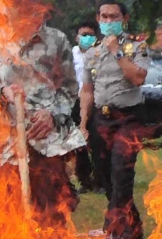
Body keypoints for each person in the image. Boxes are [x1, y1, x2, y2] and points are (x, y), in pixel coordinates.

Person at [0, 1, 86, 226]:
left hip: (46, 141)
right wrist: (3, 91)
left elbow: (68, 89)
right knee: (9, 214)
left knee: (52, 213)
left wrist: (52, 114)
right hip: (8, 141)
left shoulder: (56, 40)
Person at [80, 0, 151, 239]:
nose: (109, 21)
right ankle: (133, 226)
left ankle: (115, 229)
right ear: (98, 19)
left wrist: (117, 52)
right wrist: (83, 123)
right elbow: (87, 90)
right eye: (104, 16)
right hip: (101, 118)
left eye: (114, 16)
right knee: (105, 176)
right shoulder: (92, 52)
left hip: (128, 118)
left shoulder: (136, 45)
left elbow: (138, 78)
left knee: (122, 171)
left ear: (124, 18)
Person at [72, 21, 103, 194]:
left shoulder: (99, 54)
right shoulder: (71, 54)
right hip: (75, 102)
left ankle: (100, 181)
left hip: (96, 101)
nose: (86, 37)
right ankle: (84, 180)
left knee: (97, 141)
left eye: (90, 34)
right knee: (78, 143)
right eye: (83, 34)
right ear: (77, 37)